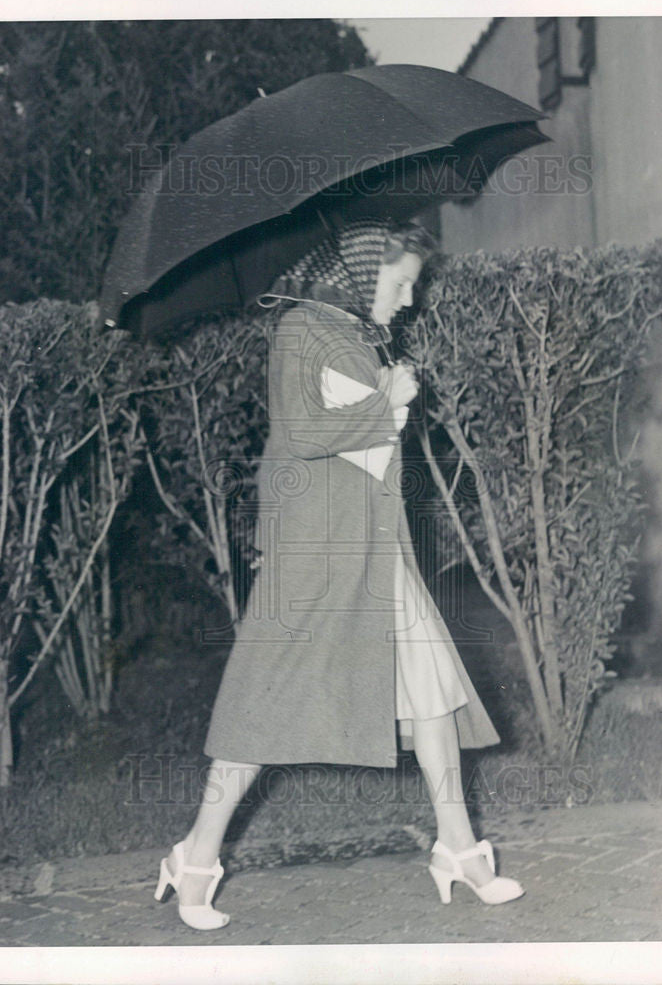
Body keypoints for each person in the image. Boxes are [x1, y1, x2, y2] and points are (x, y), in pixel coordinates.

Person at [153, 218, 524, 930]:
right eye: (401, 281)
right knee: (264, 705)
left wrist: (390, 397)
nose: (409, 297)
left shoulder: (357, 336)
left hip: (373, 548)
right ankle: (194, 857)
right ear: (362, 271)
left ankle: (458, 849)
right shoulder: (299, 330)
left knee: (432, 694)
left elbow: (366, 443)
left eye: (412, 283)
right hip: (317, 554)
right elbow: (300, 433)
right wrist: (388, 402)